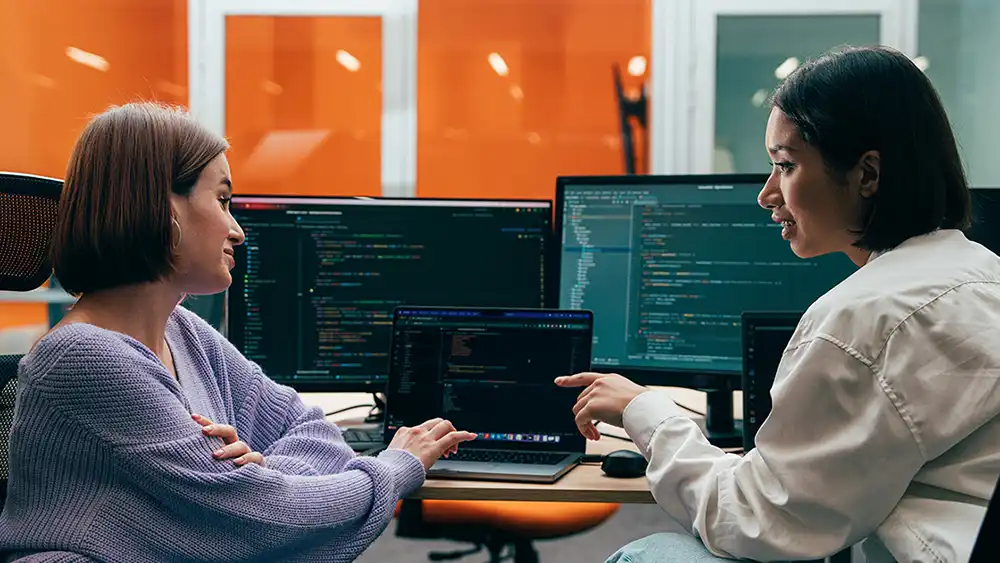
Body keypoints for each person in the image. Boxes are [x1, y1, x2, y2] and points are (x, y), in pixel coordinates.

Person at [558, 45, 1000, 562]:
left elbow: (755, 521)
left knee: (652, 552)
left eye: (785, 165)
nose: (767, 194)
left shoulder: (864, 318)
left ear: (867, 175)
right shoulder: (984, 274)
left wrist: (643, 411)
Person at [0, 102, 476, 563]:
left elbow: (312, 431)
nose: (238, 231)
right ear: (164, 208)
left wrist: (267, 469)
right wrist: (394, 469)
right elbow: (261, 519)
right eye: (223, 200)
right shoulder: (83, 356)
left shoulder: (183, 331)